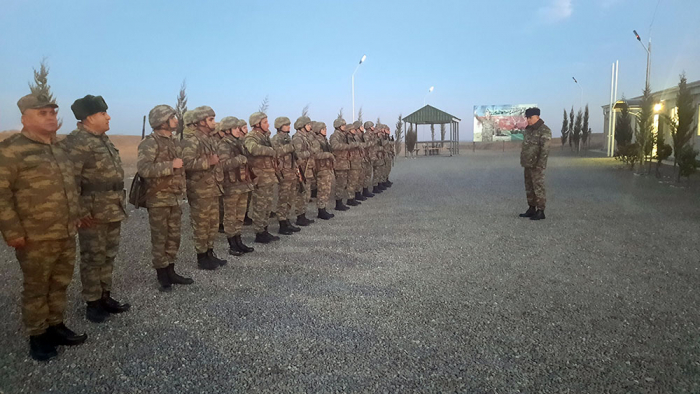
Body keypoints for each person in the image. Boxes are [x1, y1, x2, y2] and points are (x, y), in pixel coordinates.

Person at [0, 92, 87, 361]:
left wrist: (77, 214)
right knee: (37, 286)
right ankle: (37, 336)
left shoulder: (58, 147)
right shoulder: (11, 150)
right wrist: (12, 231)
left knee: (60, 282)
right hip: (34, 235)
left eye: (52, 112)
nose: (50, 117)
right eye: (42, 113)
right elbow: (2, 194)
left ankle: (55, 325)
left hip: (64, 231)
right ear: (25, 118)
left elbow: (69, 187)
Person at [64, 95, 131, 324]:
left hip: (112, 207)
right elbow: (69, 181)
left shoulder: (103, 139)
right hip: (92, 212)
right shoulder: (77, 142)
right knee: (93, 257)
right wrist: (79, 212)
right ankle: (92, 303)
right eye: (103, 113)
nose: (108, 116)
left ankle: (105, 296)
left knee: (108, 255)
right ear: (90, 117)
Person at [137, 105, 194, 291]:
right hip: (159, 198)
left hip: (175, 197)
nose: (176, 120)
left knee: (174, 236)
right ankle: (162, 274)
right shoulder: (150, 143)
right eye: (172, 117)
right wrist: (171, 165)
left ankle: (171, 269)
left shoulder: (174, 142)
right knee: (160, 237)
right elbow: (144, 169)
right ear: (162, 121)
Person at [181, 106, 226, 270]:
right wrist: (209, 162)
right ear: (201, 122)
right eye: (211, 119)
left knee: (212, 224)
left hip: (212, 187)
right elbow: (185, 164)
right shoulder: (192, 140)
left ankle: (209, 253)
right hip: (199, 190)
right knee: (201, 224)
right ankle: (202, 257)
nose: (214, 122)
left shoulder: (209, 139)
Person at [217, 116, 256, 254]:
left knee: (240, 216)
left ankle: (239, 241)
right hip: (231, 185)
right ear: (227, 130)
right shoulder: (223, 145)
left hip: (243, 184)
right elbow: (222, 165)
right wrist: (239, 159)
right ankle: (232, 244)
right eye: (235, 128)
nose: (238, 131)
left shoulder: (239, 143)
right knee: (230, 216)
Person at [244, 112, 281, 243]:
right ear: (257, 124)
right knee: (260, 206)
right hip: (260, 177)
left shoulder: (265, 137)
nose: (268, 124)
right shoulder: (251, 136)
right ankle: (259, 233)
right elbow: (253, 149)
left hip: (269, 176)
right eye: (265, 122)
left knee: (267, 205)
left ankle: (264, 230)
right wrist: (271, 151)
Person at [271, 117, 301, 235]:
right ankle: (282, 223)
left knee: (290, 198)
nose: (289, 126)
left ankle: (287, 220)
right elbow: (276, 153)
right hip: (284, 173)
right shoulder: (275, 139)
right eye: (286, 124)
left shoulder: (288, 138)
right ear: (280, 126)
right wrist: (290, 147)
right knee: (283, 199)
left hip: (292, 171)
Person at [519, 107, 551, 221]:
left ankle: (540, 210)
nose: (528, 120)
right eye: (527, 117)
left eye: (530, 117)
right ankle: (531, 208)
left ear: (537, 117)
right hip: (528, 163)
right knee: (529, 187)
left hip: (537, 165)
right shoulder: (529, 130)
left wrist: (541, 164)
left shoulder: (544, 130)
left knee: (538, 187)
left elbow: (545, 150)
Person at [308, 121, 335, 219]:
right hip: (321, 168)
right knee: (323, 190)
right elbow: (315, 155)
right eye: (323, 129)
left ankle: (323, 209)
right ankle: (321, 210)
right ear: (318, 130)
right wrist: (328, 155)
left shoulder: (324, 140)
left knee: (326, 189)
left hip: (327, 167)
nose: (325, 130)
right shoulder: (316, 141)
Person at [291, 116, 315, 226]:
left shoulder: (305, 137)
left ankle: (303, 215)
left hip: (307, 169)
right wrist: (309, 153)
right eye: (308, 124)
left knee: (306, 194)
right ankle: (300, 217)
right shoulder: (297, 138)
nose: (310, 126)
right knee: (301, 194)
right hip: (302, 170)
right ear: (302, 126)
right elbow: (297, 154)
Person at [329, 118, 352, 211]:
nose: (345, 127)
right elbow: (334, 146)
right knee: (340, 184)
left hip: (344, 162)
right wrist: (347, 146)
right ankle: (338, 204)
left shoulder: (343, 135)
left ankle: (340, 202)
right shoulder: (335, 136)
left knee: (343, 183)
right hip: (339, 163)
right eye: (343, 125)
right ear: (338, 126)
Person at [345, 122, 363, 206]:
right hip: (352, 162)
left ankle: (354, 196)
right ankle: (350, 198)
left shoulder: (354, 137)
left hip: (357, 161)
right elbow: (350, 146)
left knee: (356, 180)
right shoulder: (348, 138)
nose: (354, 131)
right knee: (352, 181)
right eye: (352, 129)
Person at [365, 121, 384, 194]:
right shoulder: (366, 135)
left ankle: (376, 187)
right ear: (369, 127)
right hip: (369, 156)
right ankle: (366, 190)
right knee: (368, 174)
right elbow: (368, 144)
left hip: (374, 155)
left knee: (376, 172)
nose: (374, 127)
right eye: (372, 126)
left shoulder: (373, 135)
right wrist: (375, 140)